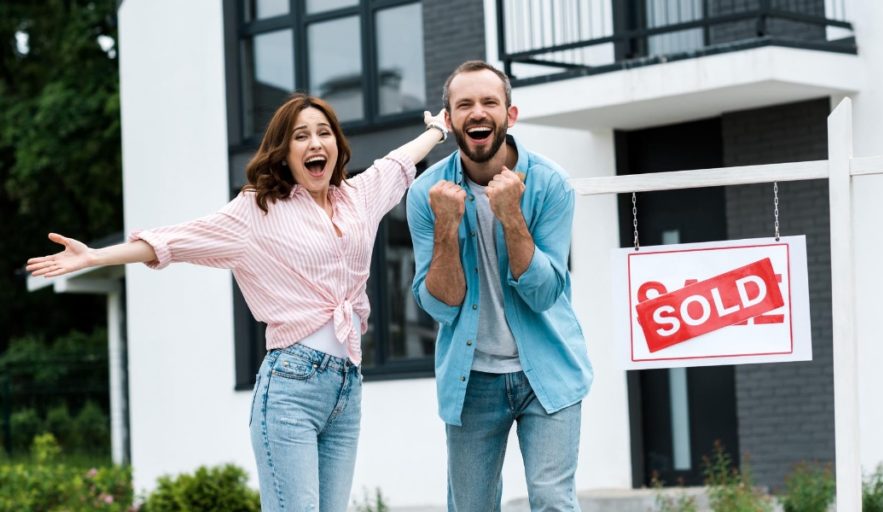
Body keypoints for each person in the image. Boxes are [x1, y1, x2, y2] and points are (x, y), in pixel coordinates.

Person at [27, 93, 448, 511]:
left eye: (324, 133)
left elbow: (397, 162)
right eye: (301, 136)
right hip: (290, 389)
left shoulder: (357, 199)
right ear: (284, 154)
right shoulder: (257, 211)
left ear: (337, 145)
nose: (315, 143)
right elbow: (174, 240)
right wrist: (94, 256)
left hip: (347, 386)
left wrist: (437, 130)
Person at [406, 61, 593, 511]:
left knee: (551, 500)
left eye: (489, 102)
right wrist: (448, 228)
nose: (478, 112)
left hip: (547, 369)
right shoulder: (427, 194)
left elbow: (546, 293)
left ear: (509, 115)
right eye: (464, 104)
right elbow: (440, 307)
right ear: (448, 122)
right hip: (471, 380)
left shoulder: (549, 184)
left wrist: (511, 216)